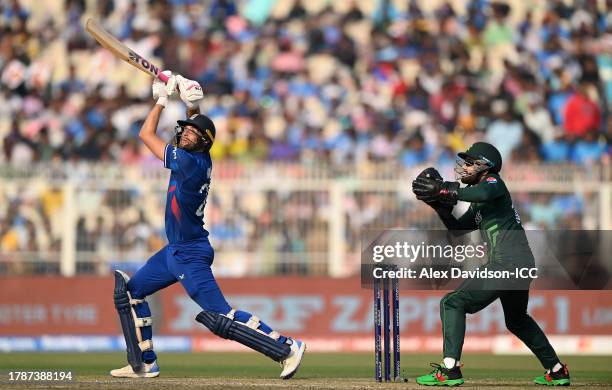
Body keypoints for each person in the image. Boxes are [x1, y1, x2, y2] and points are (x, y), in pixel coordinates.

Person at [110, 72, 305, 379]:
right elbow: (199, 129)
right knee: (130, 294)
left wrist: (161, 100)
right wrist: (192, 105)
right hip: (174, 251)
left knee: (219, 316)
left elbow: (146, 135)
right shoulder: (197, 158)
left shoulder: (187, 162)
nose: (185, 134)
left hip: (190, 253)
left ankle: (287, 346)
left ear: (202, 143)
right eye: (183, 131)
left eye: (191, 133)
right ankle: (144, 363)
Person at [411, 142, 570, 387]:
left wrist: (445, 189)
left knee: (452, 303)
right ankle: (557, 370)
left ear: (485, 166)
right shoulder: (480, 203)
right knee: (516, 319)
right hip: (520, 263)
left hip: (507, 263)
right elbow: (458, 230)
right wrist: (439, 206)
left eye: (470, 162)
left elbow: (483, 193)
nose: (464, 167)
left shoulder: (493, 183)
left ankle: (450, 369)